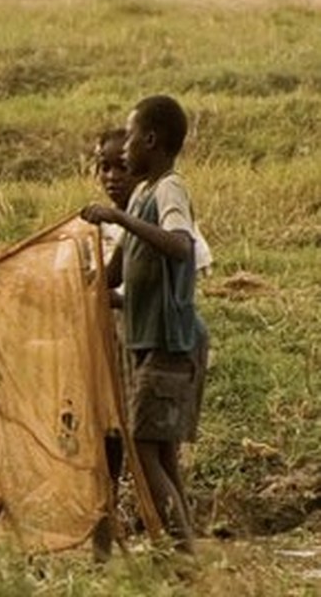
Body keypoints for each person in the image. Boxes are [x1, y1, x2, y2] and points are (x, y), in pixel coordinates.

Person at [80, 95, 210, 557]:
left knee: (143, 449)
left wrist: (118, 218)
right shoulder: (141, 194)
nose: (126, 147)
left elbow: (180, 247)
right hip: (147, 343)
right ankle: (188, 554)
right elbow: (115, 276)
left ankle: (182, 557)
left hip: (169, 344)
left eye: (131, 137)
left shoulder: (169, 189)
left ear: (150, 141)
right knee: (163, 453)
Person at [89, 127, 133, 562]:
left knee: (151, 454)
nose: (111, 175)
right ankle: (103, 550)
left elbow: (178, 281)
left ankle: (174, 549)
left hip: (141, 353)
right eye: (104, 166)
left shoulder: (147, 220)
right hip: (102, 359)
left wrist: (110, 296)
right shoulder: (91, 230)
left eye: (121, 166)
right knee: (106, 454)